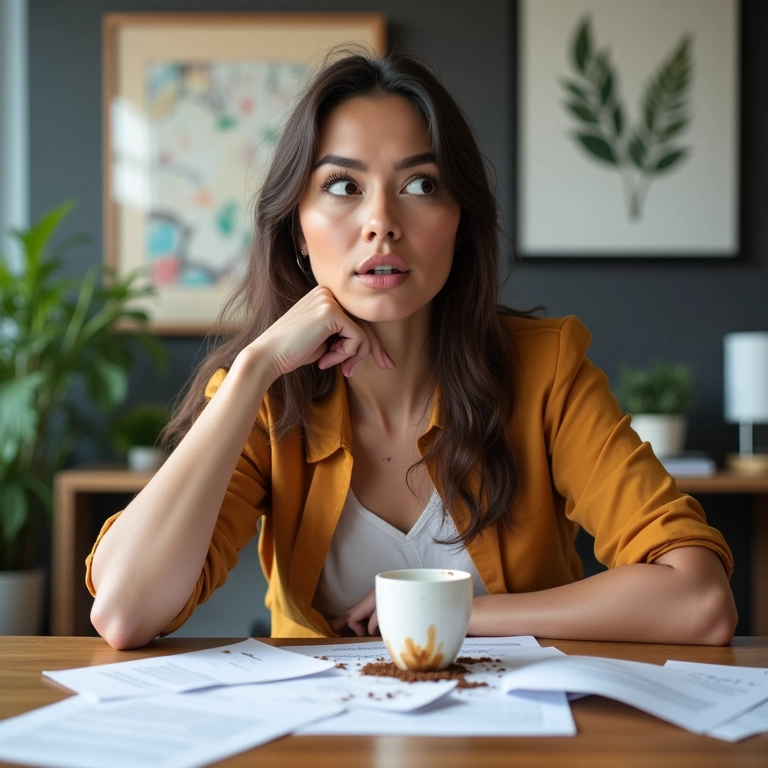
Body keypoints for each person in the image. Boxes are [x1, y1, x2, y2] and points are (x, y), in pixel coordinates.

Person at [87, 52, 737, 650]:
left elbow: (700, 601)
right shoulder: (263, 395)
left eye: (421, 185)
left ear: (460, 223)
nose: (382, 222)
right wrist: (254, 367)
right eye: (343, 186)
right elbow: (125, 612)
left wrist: (456, 613)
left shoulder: (547, 370)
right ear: (298, 234)